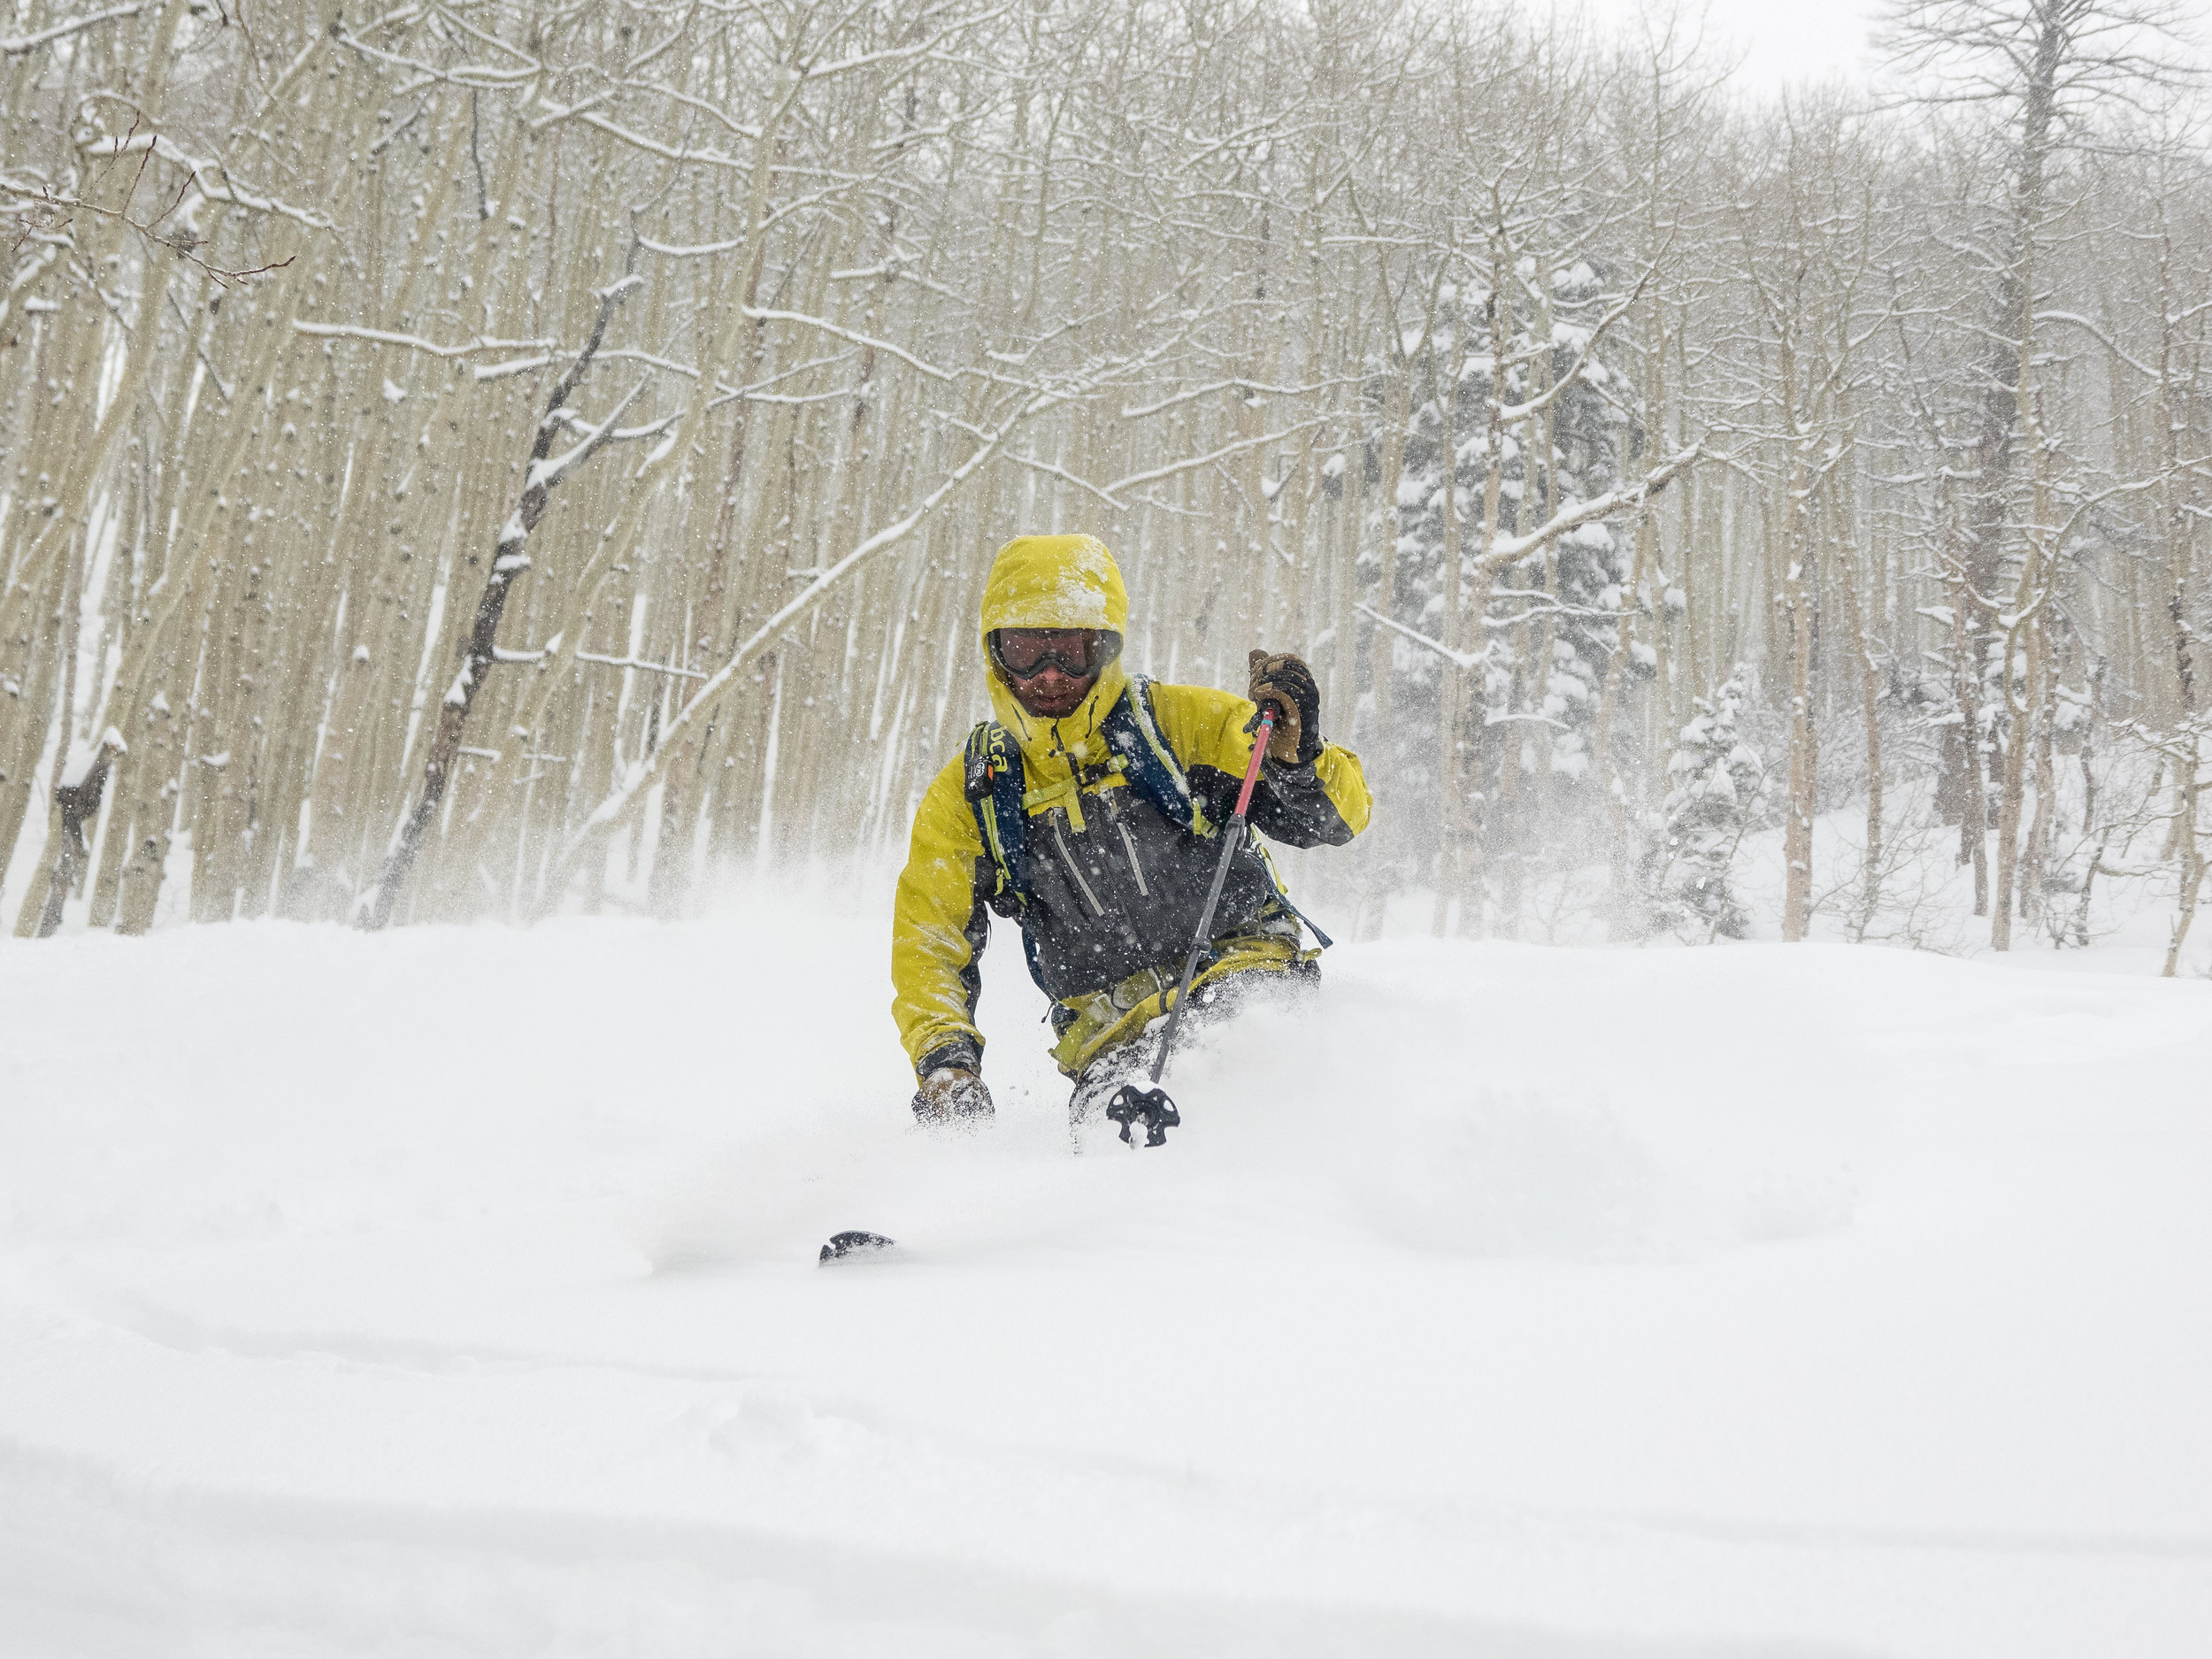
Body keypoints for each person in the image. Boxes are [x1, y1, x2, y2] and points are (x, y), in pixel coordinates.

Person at [890, 533, 1372, 1125]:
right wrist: (947, 1061)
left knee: (1258, 1095)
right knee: (1120, 1144)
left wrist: (1299, 760)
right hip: (1111, 1042)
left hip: (1246, 979)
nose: (1049, 675)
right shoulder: (977, 793)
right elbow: (929, 940)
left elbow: (1338, 820)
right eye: (1025, 652)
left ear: (1105, 647)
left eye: (1069, 652)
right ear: (995, 653)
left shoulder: (1178, 726)